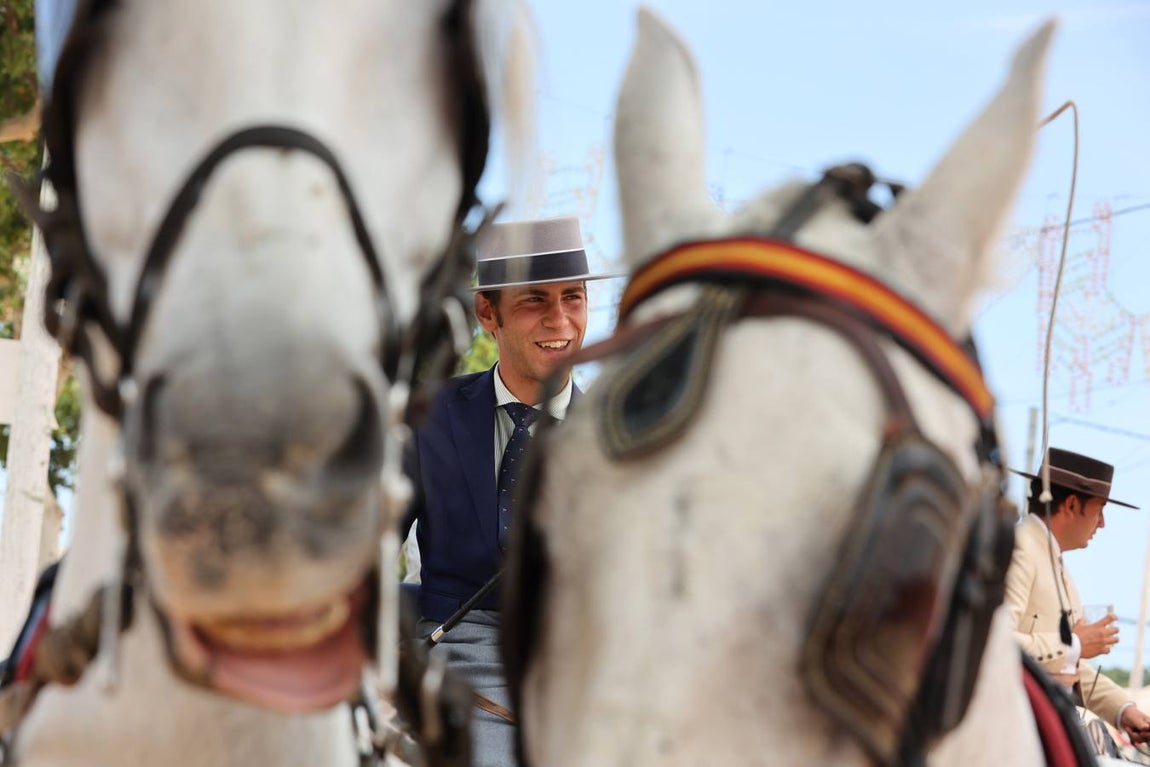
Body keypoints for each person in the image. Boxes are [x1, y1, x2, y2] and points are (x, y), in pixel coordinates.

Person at [401, 215, 613, 766]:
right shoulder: (431, 415)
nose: (560, 320)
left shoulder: (618, 438)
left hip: (589, 663)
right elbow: (361, 547)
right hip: (463, 659)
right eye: (534, 301)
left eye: (573, 298)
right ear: (486, 314)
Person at [1004, 447, 1150, 745]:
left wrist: (1123, 710)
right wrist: (1076, 643)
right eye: (1099, 510)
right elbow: (997, 642)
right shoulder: (1021, 548)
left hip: (1046, 718)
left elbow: (1067, 666)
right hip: (1018, 724)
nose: (1102, 523)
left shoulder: (1054, 562)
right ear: (1071, 505)